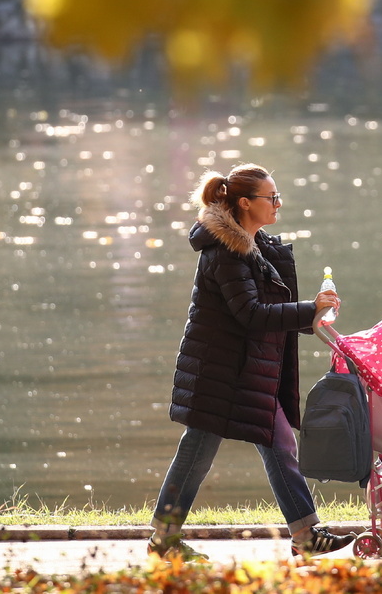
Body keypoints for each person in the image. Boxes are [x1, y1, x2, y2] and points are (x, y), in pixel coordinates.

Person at [148, 163, 355, 561]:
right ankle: (163, 540)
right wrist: (308, 309)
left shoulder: (258, 246)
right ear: (245, 203)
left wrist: (310, 314)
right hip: (220, 371)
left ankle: (306, 534)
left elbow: (267, 308)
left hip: (249, 369)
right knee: (198, 451)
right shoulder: (226, 253)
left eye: (278, 196)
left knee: (279, 444)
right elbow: (251, 313)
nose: (278, 203)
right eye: (270, 197)